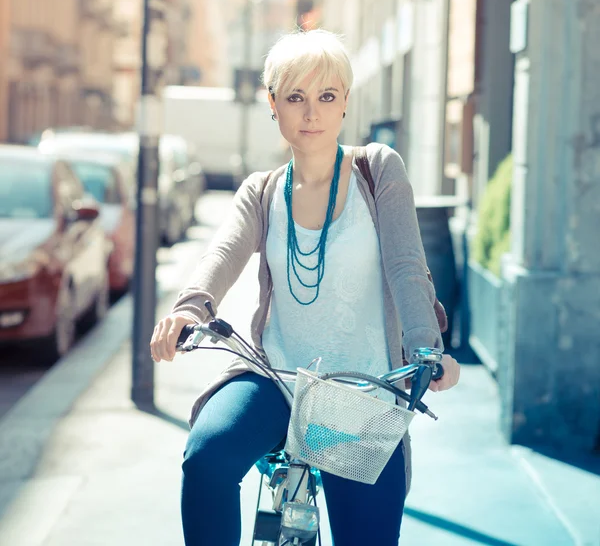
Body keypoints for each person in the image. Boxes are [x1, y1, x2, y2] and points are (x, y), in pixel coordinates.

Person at [150, 28, 461, 546]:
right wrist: (189, 310)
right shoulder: (262, 189)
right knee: (205, 459)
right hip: (275, 377)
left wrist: (428, 348)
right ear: (273, 105)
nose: (311, 113)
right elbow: (221, 255)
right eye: (295, 97)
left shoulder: (377, 169)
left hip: (361, 392)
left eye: (326, 96)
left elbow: (408, 267)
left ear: (344, 104)